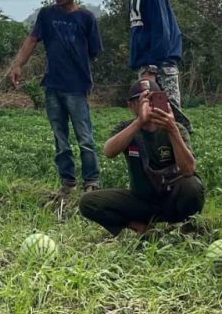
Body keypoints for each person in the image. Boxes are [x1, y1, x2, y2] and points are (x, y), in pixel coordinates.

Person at [10, 0, 103, 199]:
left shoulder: (86, 18)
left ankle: (91, 182)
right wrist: (18, 64)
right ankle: (68, 183)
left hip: (77, 86)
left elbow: (95, 51)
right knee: (60, 138)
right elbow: (32, 40)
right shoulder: (47, 15)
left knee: (85, 137)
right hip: (53, 85)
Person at [79, 80, 205, 236]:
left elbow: (188, 169)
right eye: (142, 100)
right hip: (141, 201)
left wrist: (172, 130)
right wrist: (139, 123)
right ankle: (141, 228)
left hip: (172, 199)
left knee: (192, 185)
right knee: (88, 202)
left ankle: (185, 228)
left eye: (154, 98)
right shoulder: (127, 128)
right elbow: (109, 151)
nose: (149, 104)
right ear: (131, 105)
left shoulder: (175, 128)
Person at [108, 0, 185, 108]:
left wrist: (152, 68)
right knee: (152, 122)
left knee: (169, 119)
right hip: (148, 66)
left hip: (159, 68)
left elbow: (161, 28)